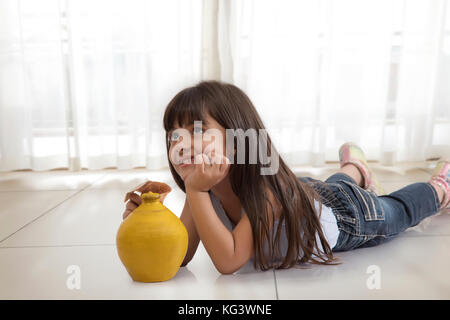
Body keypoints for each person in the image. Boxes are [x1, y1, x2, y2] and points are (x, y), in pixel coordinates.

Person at [123, 80, 449, 274]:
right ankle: (357, 170)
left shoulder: (264, 192)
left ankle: (439, 188)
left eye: (197, 130)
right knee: (332, 186)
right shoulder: (203, 189)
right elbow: (182, 255)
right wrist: (149, 224)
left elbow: (230, 261)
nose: (182, 144)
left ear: (238, 138)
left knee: (395, 211)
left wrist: (194, 191)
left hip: (349, 217)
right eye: (174, 137)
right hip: (308, 193)